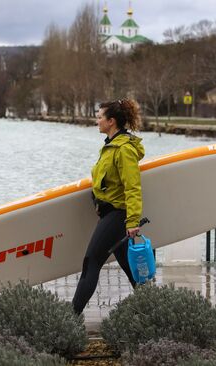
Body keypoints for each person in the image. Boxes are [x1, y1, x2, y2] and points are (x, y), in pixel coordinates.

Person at [72, 98, 145, 315]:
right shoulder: (110, 146)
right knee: (132, 272)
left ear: (111, 121)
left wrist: (132, 221)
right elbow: (105, 182)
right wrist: (97, 201)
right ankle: (154, 312)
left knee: (91, 263)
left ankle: (71, 318)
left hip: (117, 216)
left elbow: (133, 188)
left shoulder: (124, 150)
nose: (97, 121)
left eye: (99, 117)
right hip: (109, 213)